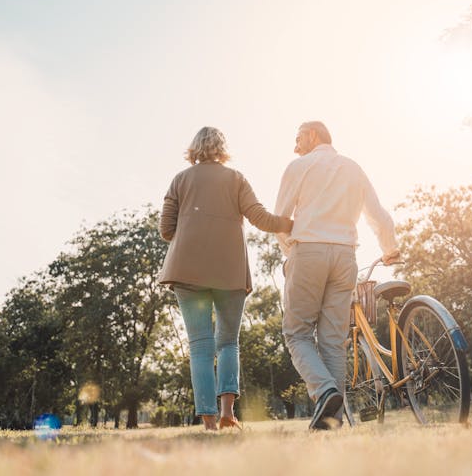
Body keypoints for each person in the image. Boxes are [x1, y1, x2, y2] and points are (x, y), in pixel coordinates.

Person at [158, 126, 293, 431]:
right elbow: (260, 218)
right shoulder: (236, 179)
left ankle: (207, 422)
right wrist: (292, 223)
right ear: (222, 148)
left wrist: (193, 227)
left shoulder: (180, 180)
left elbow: (166, 230)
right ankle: (227, 414)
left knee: (201, 346)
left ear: (194, 149)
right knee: (228, 343)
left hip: (187, 272)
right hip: (230, 273)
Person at [274, 121, 399, 430]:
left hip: (308, 251)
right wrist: (390, 248)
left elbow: (280, 220)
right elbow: (378, 215)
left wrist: (291, 253)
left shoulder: (299, 166)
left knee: (297, 333)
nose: (295, 146)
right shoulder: (353, 168)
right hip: (345, 256)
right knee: (332, 341)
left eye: (298, 137)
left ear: (313, 134)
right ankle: (331, 421)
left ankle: (324, 390)